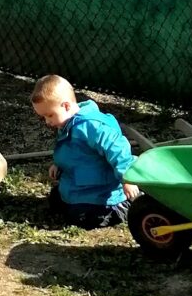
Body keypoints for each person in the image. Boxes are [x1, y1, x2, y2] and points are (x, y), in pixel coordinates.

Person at [32, 76, 135, 229]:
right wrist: (59, 165)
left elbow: (118, 150)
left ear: (66, 106)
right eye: (44, 117)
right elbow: (72, 153)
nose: (47, 121)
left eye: (50, 115)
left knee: (79, 217)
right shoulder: (67, 123)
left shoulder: (92, 126)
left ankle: (124, 207)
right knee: (56, 200)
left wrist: (128, 179)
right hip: (81, 185)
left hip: (104, 193)